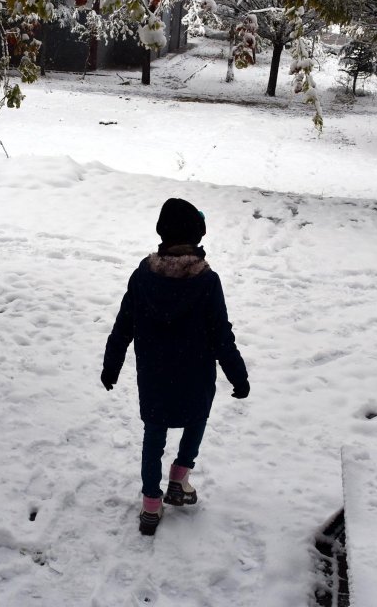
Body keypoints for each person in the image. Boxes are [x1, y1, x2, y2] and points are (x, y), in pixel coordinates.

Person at [101, 198, 250, 536]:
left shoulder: (143, 276)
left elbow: (124, 324)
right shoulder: (207, 281)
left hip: (153, 375)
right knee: (195, 422)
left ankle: (151, 504)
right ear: (198, 237)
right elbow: (221, 334)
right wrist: (237, 376)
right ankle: (179, 478)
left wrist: (112, 365)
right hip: (195, 376)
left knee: (153, 436)